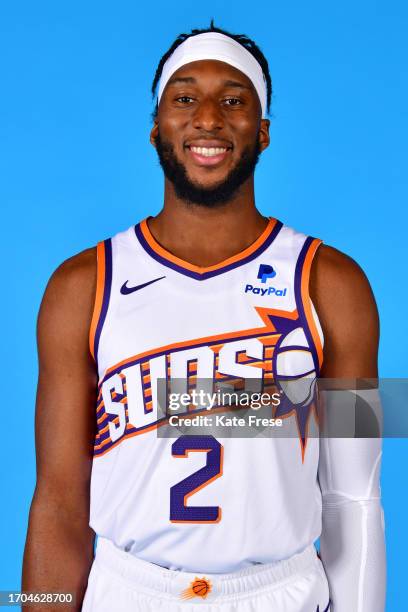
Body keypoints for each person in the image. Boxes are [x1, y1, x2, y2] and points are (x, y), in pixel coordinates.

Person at [22, 20, 386, 612]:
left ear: (263, 131)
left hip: (281, 593)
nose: (209, 118)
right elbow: (59, 503)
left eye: (234, 100)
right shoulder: (79, 286)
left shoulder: (338, 284)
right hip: (128, 591)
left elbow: (355, 496)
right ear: (156, 129)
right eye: (185, 97)